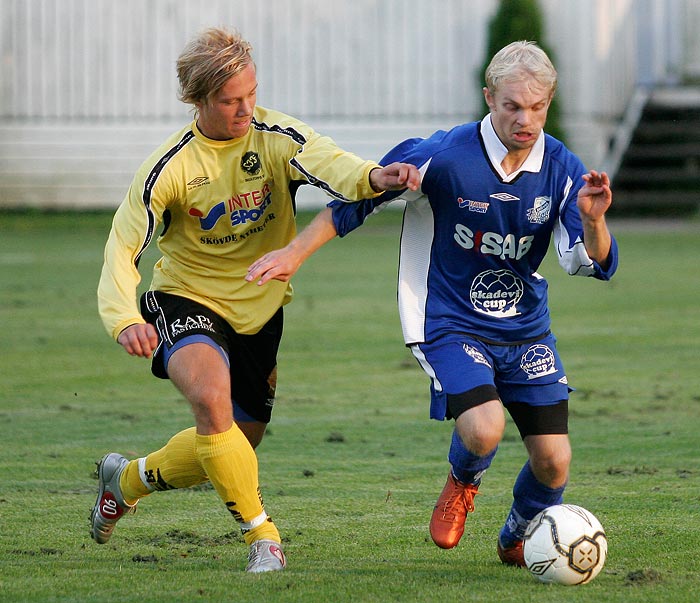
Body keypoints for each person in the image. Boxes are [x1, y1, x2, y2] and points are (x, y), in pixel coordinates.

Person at [246, 41, 618, 567]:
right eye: (512, 105)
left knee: (555, 463)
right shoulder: (443, 154)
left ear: (548, 104)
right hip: (447, 319)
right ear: (489, 98)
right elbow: (354, 202)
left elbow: (591, 262)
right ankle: (463, 482)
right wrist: (293, 253)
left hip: (526, 329)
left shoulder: (561, 167)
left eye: (537, 108)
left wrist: (596, 219)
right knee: (483, 426)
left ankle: (517, 534)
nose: (525, 119)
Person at [93, 26, 420, 573]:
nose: (246, 108)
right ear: (197, 100)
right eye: (229, 101)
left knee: (237, 441)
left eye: (251, 94)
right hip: (186, 297)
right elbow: (123, 244)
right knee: (211, 401)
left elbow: (330, 162)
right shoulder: (169, 168)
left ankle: (127, 480)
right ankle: (262, 537)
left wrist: (372, 176)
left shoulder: (275, 136)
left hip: (261, 308)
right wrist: (124, 317)